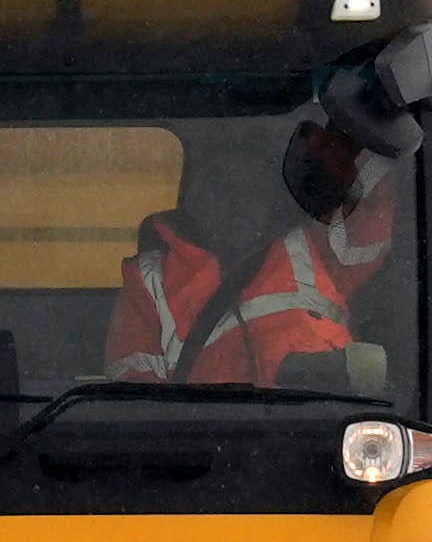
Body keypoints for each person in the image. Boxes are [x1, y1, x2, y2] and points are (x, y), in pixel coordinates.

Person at [98, 116, 402, 386]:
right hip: (211, 434)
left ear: (271, 199)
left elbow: (373, 197)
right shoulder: (150, 279)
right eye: (223, 187)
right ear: (195, 199)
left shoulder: (317, 246)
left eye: (251, 189)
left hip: (327, 424)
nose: (237, 203)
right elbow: (133, 387)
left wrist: (354, 127)